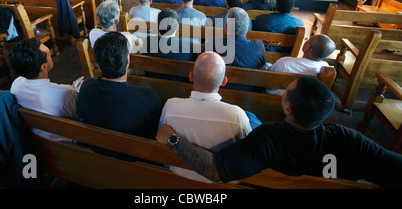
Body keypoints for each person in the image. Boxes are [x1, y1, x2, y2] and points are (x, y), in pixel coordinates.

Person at [156, 76, 402, 188]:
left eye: (287, 90)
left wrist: (173, 139)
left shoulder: (268, 138)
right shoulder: (349, 139)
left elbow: (214, 168)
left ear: (288, 108)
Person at [158, 51, 256, 182]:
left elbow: (161, 141)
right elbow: (249, 157)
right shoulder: (237, 116)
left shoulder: (170, 106)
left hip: (176, 179)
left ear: (191, 76)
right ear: (224, 81)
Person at [77, 32, 162, 158]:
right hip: (136, 162)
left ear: (98, 64)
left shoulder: (87, 87)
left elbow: (81, 113)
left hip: (96, 155)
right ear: (128, 60)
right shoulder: (148, 97)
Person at [8, 38, 83, 141]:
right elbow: (81, 113)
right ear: (43, 67)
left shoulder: (16, 84)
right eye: (49, 54)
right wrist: (78, 91)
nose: (51, 55)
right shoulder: (66, 94)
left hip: (32, 141)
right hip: (66, 146)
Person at [267, 34, 336, 95]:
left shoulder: (285, 62)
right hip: (303, 102)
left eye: (308, 40)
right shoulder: (325, 68)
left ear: (307, 48)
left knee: (266, 65)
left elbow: (269, 81)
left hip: (276, 96)